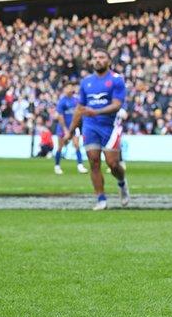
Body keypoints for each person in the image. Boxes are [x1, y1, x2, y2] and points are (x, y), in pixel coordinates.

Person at [64, 48, 129, 210]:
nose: (98, 60)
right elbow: (80, 107)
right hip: (90, 126)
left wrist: (97, 111)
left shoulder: (116, 80)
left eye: (101, 57)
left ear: (109, 61)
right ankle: (101, 199)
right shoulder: (86, 82)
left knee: (112, 163)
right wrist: (70, 131)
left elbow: (117, 105)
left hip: (110, 125)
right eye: (95, 57)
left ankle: (122, 183)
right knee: (93, 162)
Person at [54, 83, 88, 175]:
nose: (70, 89)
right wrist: (65, 130)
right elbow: (60, 116)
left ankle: (80, 165)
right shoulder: (62, 101)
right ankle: (57, 166)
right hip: (63, 128)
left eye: (71, 87)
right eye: (68, 87)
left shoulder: (76, 101)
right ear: (65, 90)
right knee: (60, 147)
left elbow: (80, 113)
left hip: (74, 127)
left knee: (77, 145)